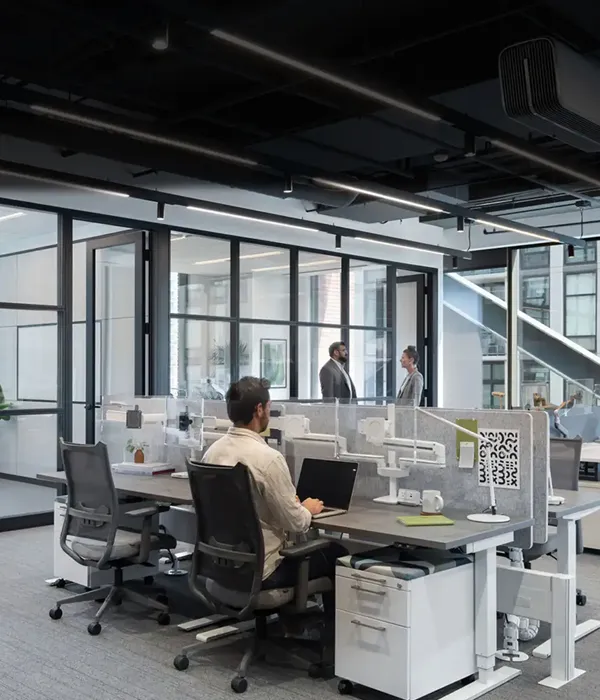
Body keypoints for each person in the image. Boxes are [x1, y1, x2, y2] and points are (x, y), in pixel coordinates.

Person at [203, 376, 347, 608]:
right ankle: (325, 629)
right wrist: (305, 509)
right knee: (337, 554)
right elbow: (296, 523)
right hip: (264, 573)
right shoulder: (268, 459)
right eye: (269, 407)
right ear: (259, 410)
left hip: (221, 567)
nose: (269, 413)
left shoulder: (212, 452)